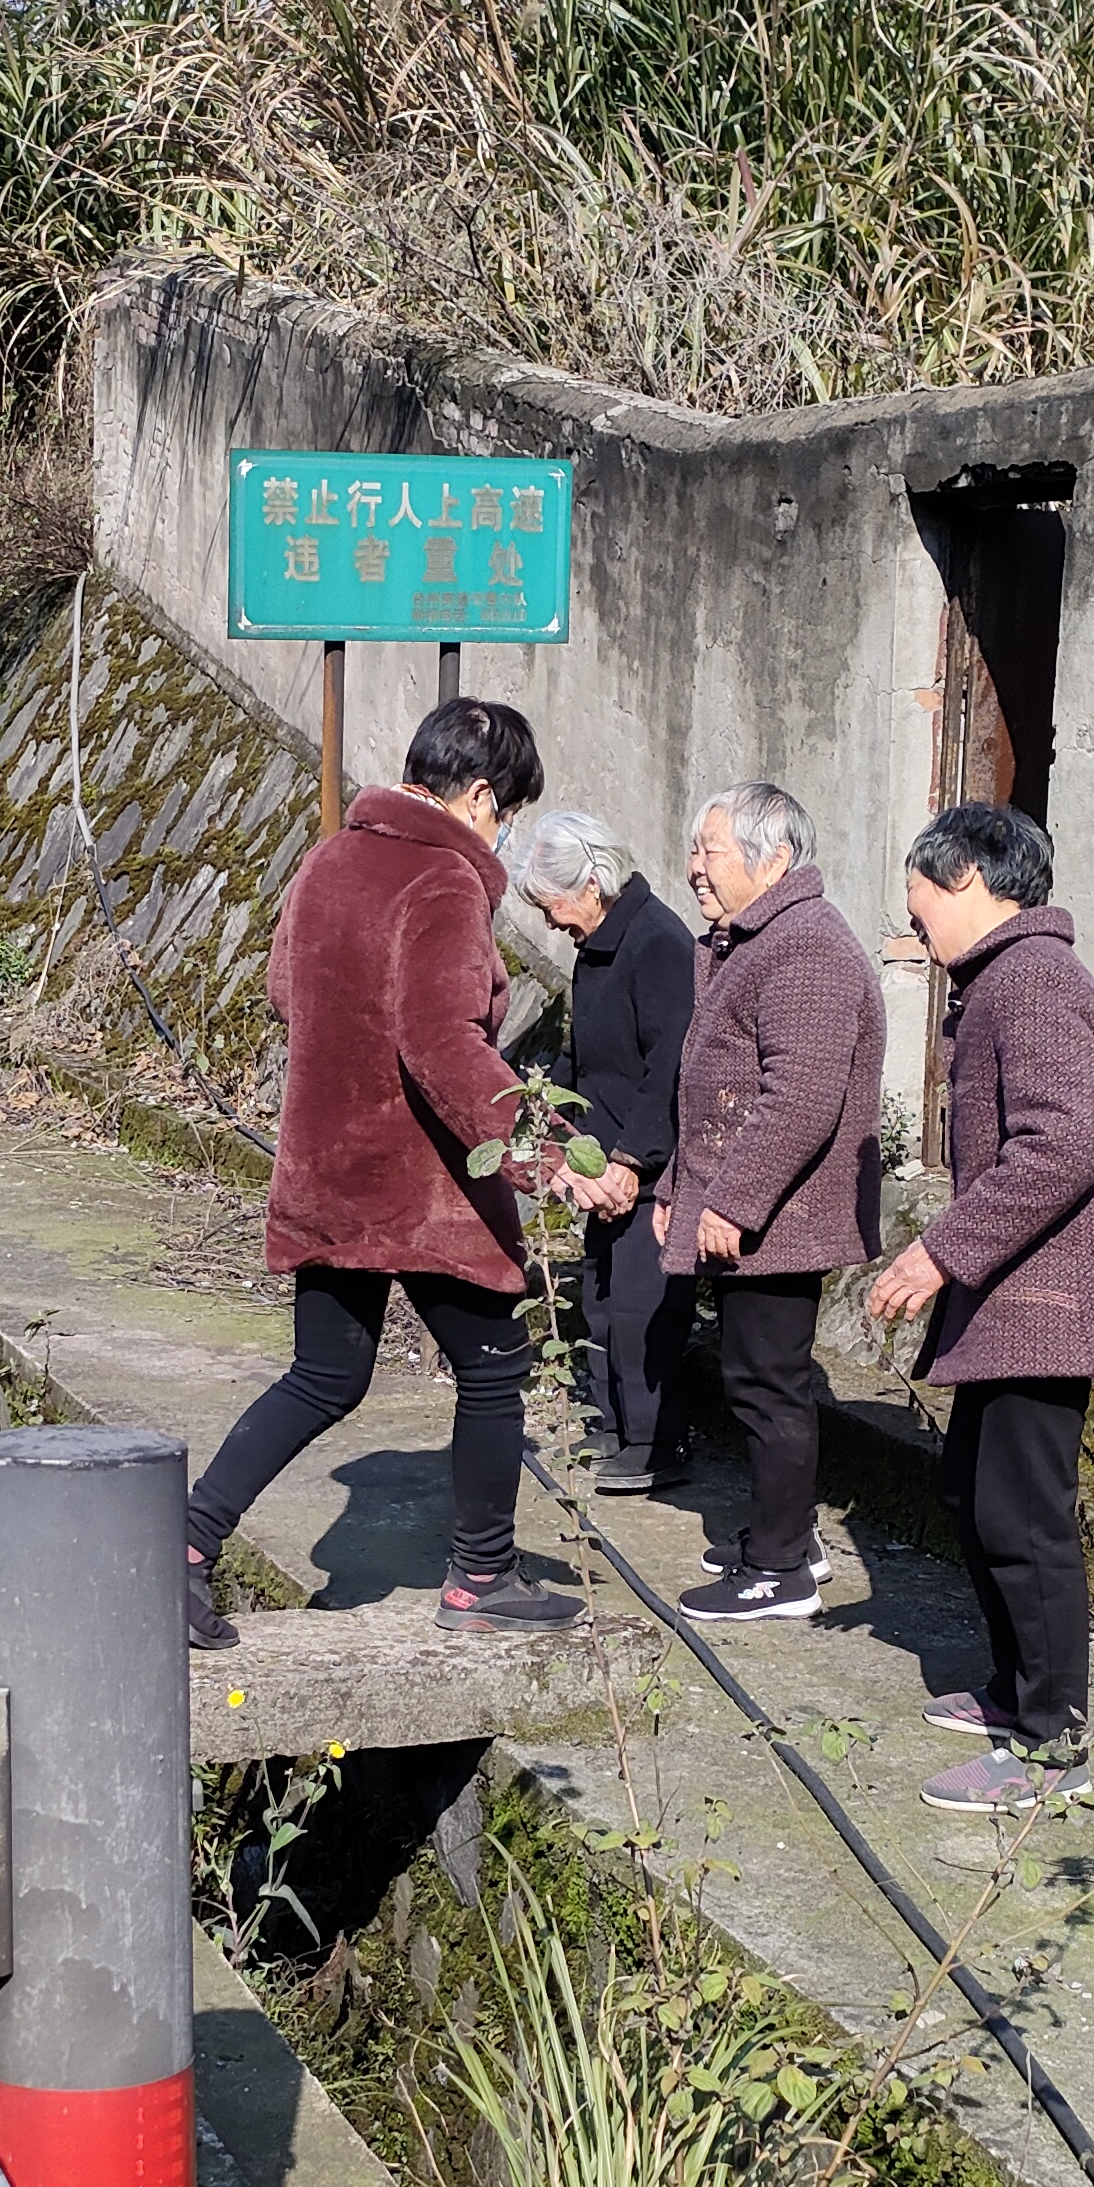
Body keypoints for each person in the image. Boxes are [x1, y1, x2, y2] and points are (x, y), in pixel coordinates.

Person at [184, 696, 581, 1645]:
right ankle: (481, 1576)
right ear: (480, 795)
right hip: (431, 1189)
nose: (509, 830)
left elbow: (286, 991)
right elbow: (446, 1045)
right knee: (494, 1371)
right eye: (511, 810)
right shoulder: (444, 880)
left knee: (323, 1377)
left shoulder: (330, 857)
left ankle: (186, 1544)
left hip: (328, 1165)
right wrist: (544, 1156)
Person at [862, 800, 1094, 1809]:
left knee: (1022, 1515)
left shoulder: (1031, 982)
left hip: (1053, 1295)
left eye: (920, 909)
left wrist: (937, 1251)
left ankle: (1053, 1744)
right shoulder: (1012, 980)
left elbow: (1060, 1145)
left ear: (967, 880)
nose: (915, 930)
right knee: (977, 1490)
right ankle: (1017, 1696)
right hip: (1028, 1292)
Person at [656, 785, 883, 1624]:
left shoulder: (806, 948)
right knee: (756, 1378)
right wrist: (681, 1189)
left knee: (767, 1384)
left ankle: (780, 1568)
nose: (695, 869)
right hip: (756, 1209)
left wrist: (734, 1202)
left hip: (783, 1214)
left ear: (773, 860)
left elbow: (798, 1097)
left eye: (710, 851)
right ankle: (786, 1535)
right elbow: (712, 1086)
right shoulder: (757, 939)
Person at [515, 807, 696, 1497]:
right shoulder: (595, 950)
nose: (550, 921)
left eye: (552, 903)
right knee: (599, 1295)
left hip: (648, 1169)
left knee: (645, 1309)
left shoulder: (656, 945)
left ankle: (656, 1441)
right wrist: (547, 1124)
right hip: (602, 1162)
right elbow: (579, 1056)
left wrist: (630, 1160)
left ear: (592, 883)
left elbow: (671, 1067)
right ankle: (613, 1425)